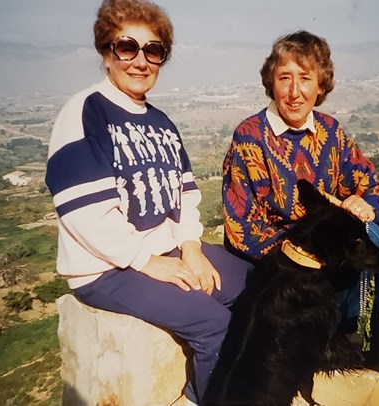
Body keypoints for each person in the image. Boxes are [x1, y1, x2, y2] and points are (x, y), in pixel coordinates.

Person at [45, 1, 251, 404]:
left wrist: (191, 248)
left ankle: (200, 391)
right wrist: (147, 261)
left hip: (166, 249)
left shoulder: (159, 121)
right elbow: (84, 214)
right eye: (127, 47)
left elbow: (186, 195)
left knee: (262, 287)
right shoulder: (87, 112)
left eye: (153, 50)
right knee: (215, 323)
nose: (140, 61)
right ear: (106, 53)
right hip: (106, 268)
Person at [221, 30, 379, 364]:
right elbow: (240, 228)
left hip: (338, 239)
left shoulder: (331, 131)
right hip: (294, 261)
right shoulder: (250, 137)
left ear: (321, 84)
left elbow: (375, 189)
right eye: (284, 78)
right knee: (341, 242)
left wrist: (366, 205)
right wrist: (302, 251)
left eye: (305, 78)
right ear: (270, 82)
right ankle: (342, 334)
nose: (294, 91)